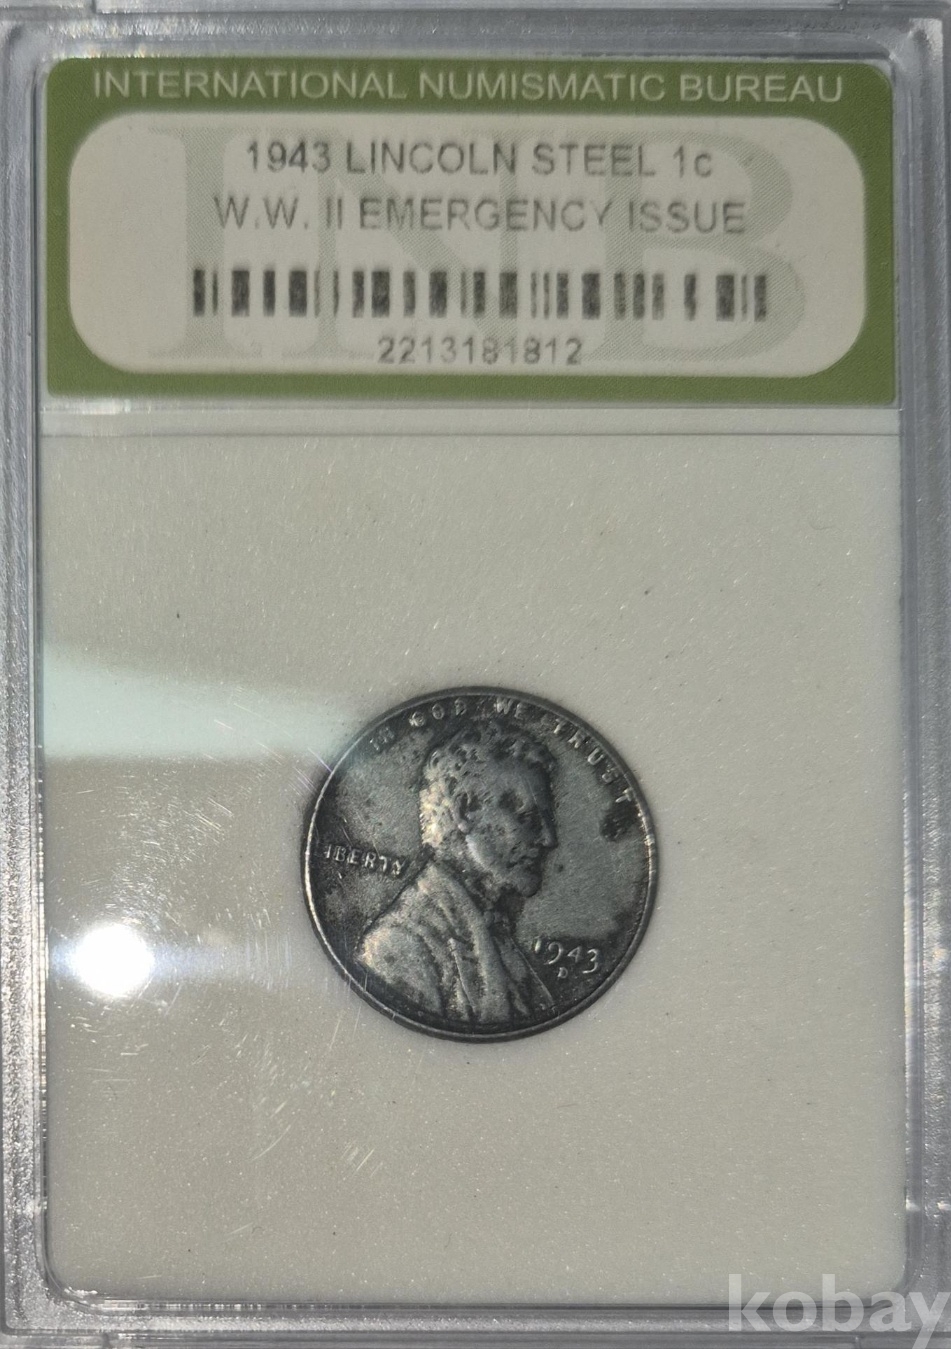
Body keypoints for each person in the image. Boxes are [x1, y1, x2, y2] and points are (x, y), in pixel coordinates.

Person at [356, 719, 558, 1028]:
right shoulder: (398, 946)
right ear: (466, 810)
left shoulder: (490, 928)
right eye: (527, 818)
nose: (549, 839)